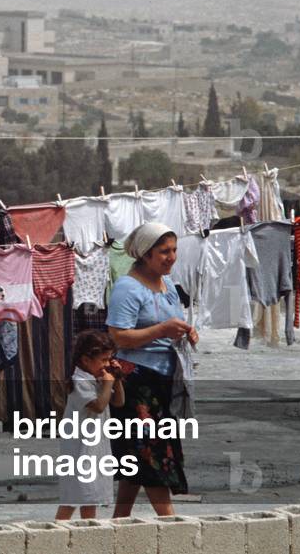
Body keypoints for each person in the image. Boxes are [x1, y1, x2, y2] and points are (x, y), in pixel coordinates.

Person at [106, 222, 197, 517]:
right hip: (136, 382)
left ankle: (118, 523)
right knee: (152, 454)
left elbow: (171, 324)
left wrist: (185, 332)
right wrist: (162, 330)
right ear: (145, 254)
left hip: (163, 379)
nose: (171, 257)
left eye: (174, 250)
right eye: (163, 252)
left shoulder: (167, 283)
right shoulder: (127, 288)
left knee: (138, 458)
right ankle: (170, 524)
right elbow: (118, 336)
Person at [55, 329, 125, 521]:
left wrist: (116, 379)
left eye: (108, 359)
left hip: (95, 447)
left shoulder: (97, 378)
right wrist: (108, 384)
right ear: (86, 360)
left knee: (91, 497)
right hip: (80, 449)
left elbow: (118, 402)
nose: (105, 365)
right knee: (72, 497)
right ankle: (56, 535)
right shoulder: (79, 381)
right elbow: (99, 406)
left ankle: (88, 534)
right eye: (103, 360)